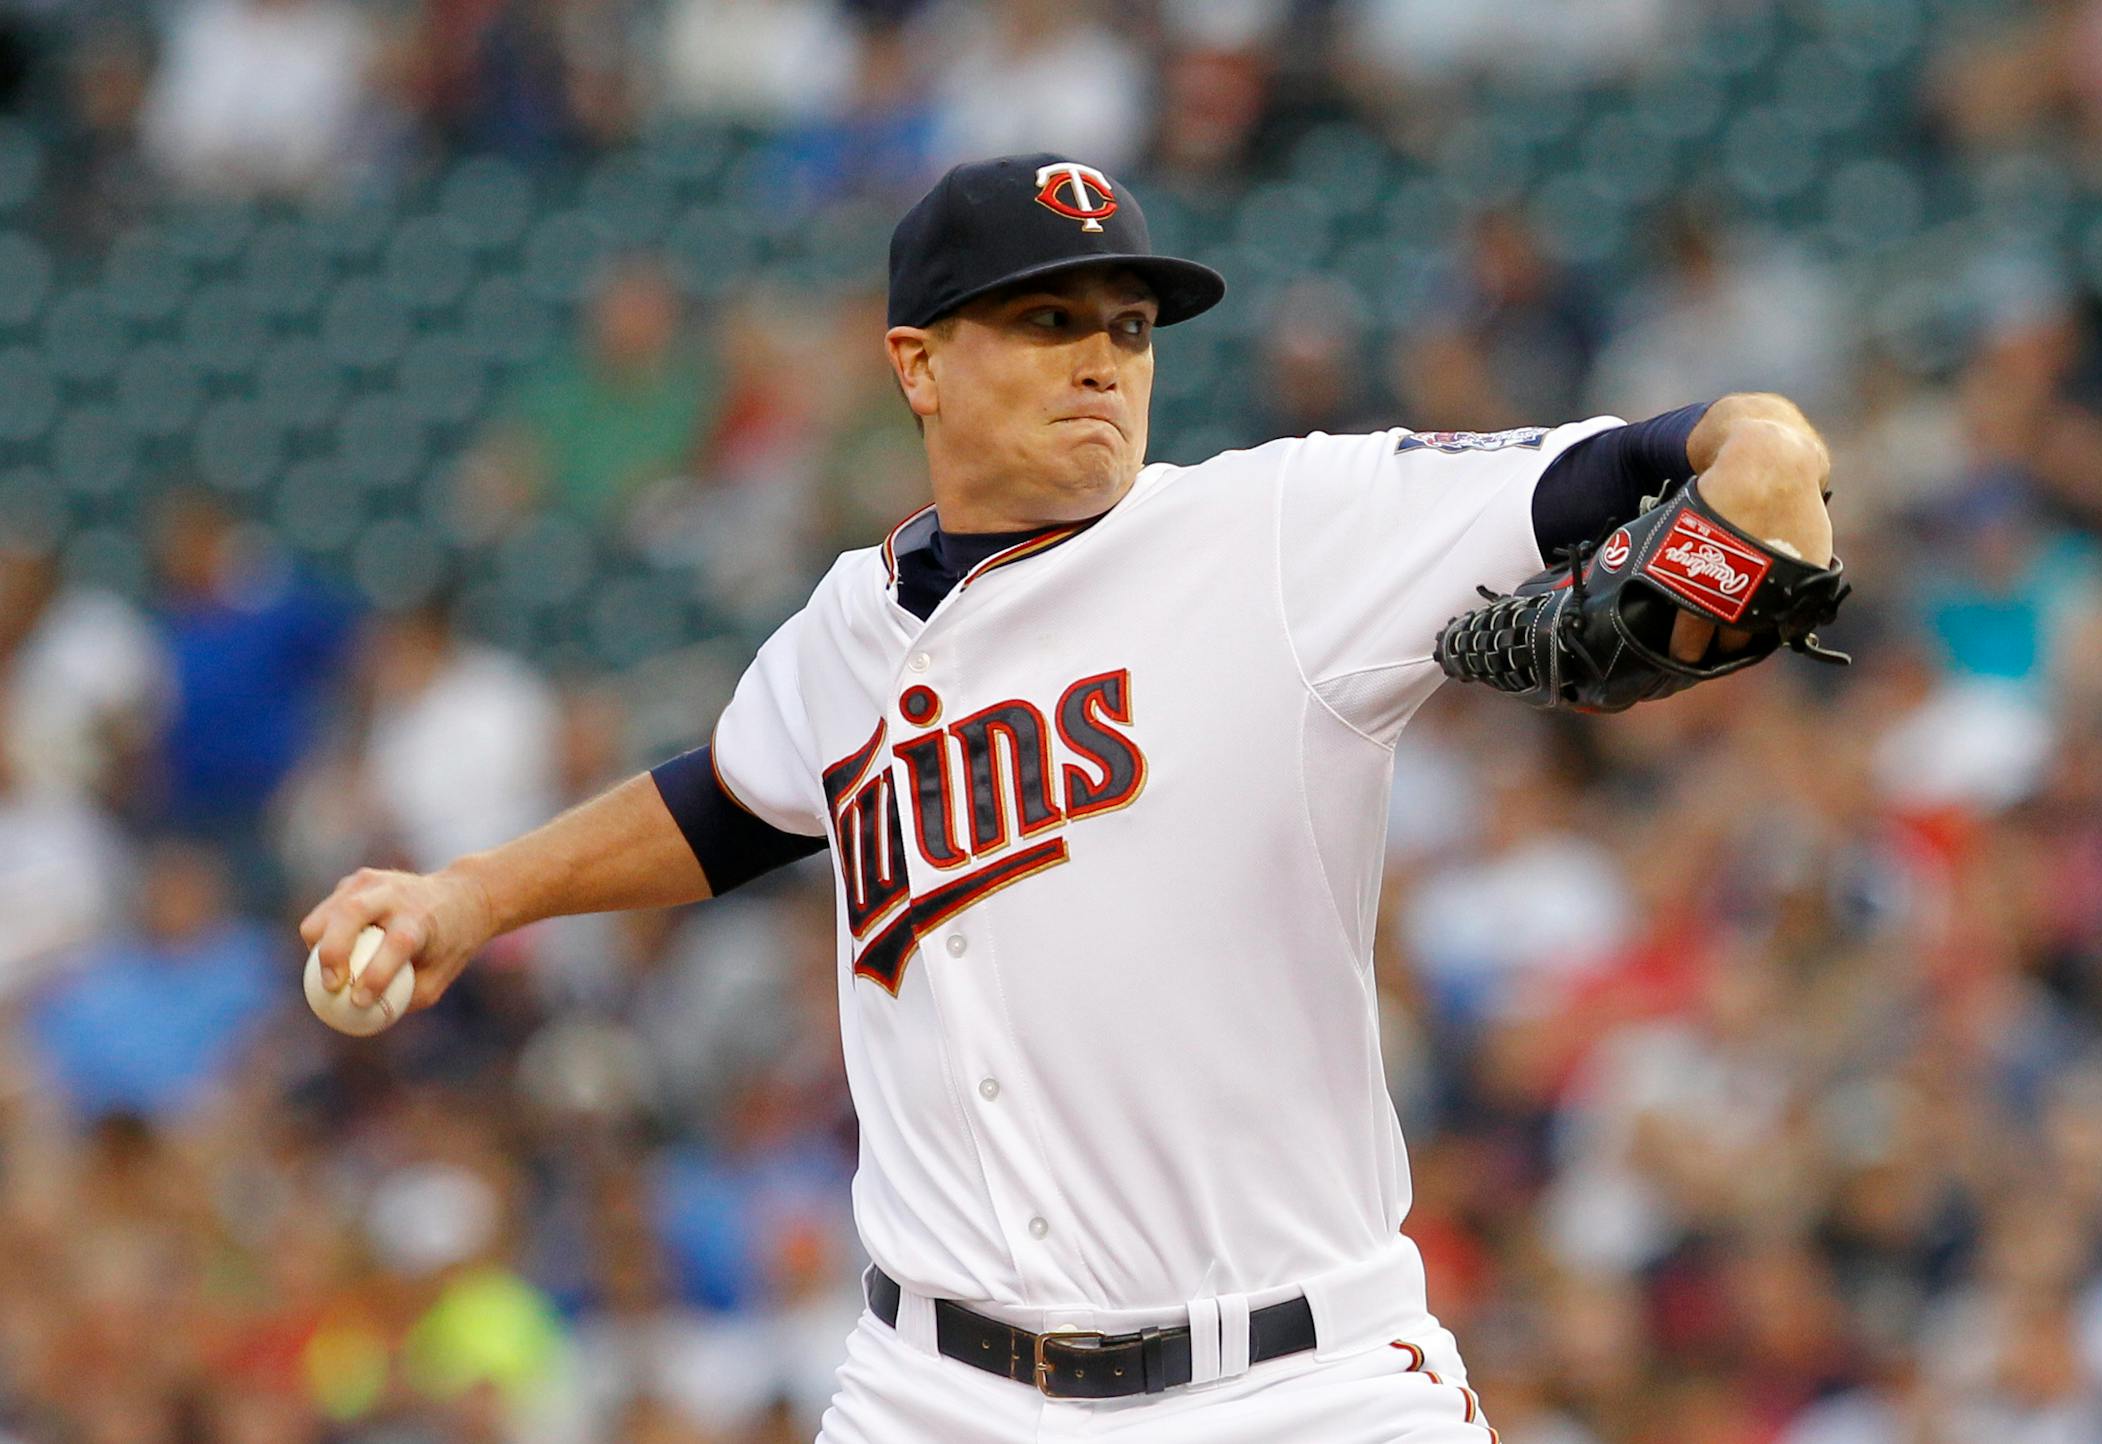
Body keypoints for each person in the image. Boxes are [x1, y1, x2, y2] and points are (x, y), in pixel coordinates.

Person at [305, 153, 1837, 1440]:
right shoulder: (847, 625)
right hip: (934, 1388)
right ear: (916, 362)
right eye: (1049, 320)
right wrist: (473, 895)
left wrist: (1762, 458)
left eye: (1129, 325)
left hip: (1294, 1386)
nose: (1106, 357)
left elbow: (1666, 453)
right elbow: (737, 801)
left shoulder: (1282, 533)